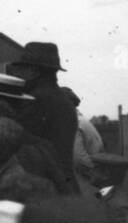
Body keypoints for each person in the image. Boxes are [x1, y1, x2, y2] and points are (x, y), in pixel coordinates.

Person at [8, 42, 79, 194]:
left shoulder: (36, 99)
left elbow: (18, 141)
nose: (17, 74)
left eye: (22, 68)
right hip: (62, 182)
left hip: (46, 187)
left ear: (34, 71)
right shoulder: (59, 97)